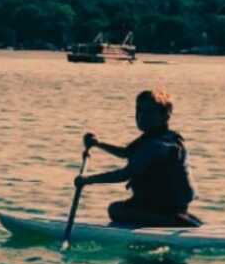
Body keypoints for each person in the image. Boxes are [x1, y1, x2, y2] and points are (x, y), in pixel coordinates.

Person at [76, 89, 201, 227]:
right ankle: (179, 218)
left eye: (149, 112)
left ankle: (172, 221)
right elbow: (125, 153)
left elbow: (125, 174)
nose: (141, 116)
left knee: (115, 209)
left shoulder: (157, 145)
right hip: (169, 205)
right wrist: (98, 144)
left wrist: (87, 180)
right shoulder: (156, 136)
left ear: (165, 115)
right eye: (139, 110)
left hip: (162, 205)